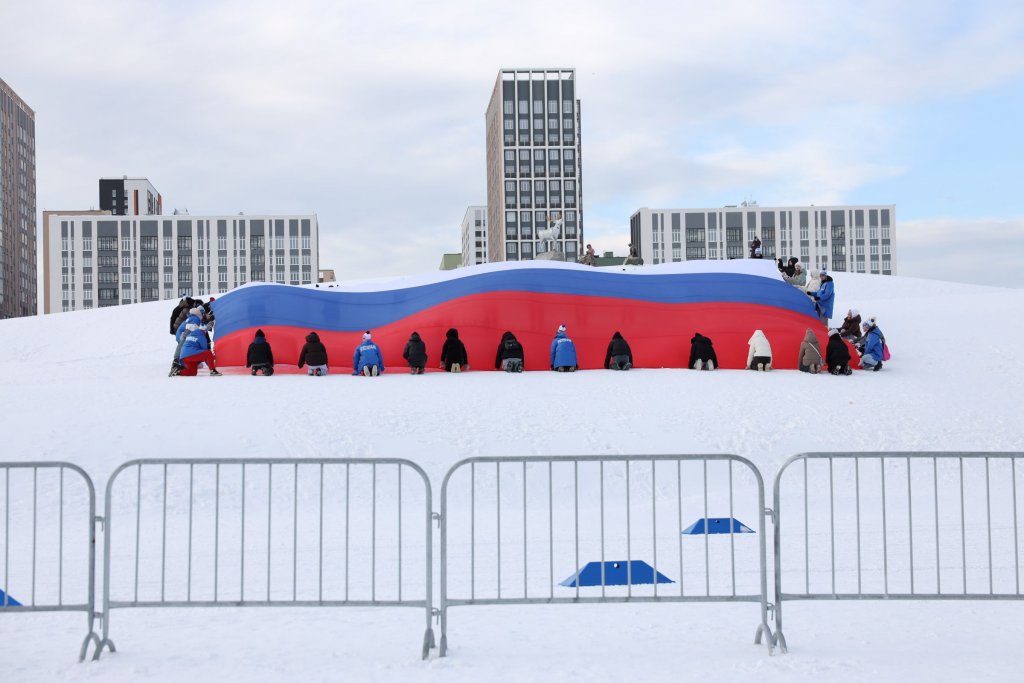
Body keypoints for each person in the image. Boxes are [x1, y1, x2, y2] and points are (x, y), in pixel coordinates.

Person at [169, 306, 207, 376]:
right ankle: (177, 363)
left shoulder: (192, 317)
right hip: (183, 334)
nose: (203, 315)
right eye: (203, 313)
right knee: (186, 346)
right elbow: (190, 328)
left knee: (186, 346)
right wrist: (185, 336)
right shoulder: (196, 319)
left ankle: (181, 363)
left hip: (181, 334)